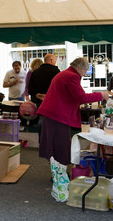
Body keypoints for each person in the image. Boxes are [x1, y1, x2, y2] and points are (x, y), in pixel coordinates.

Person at [37, 57, 109, 187]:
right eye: (85, 71)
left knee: (56, 144)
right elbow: (81, 97)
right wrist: (101, 95)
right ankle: (60, 176)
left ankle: (58, 173)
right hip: (57, 115)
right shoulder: (71, 76)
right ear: (80, 68)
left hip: (54, 114)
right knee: (60, 145)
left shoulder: (65, 74)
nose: (85, 74)